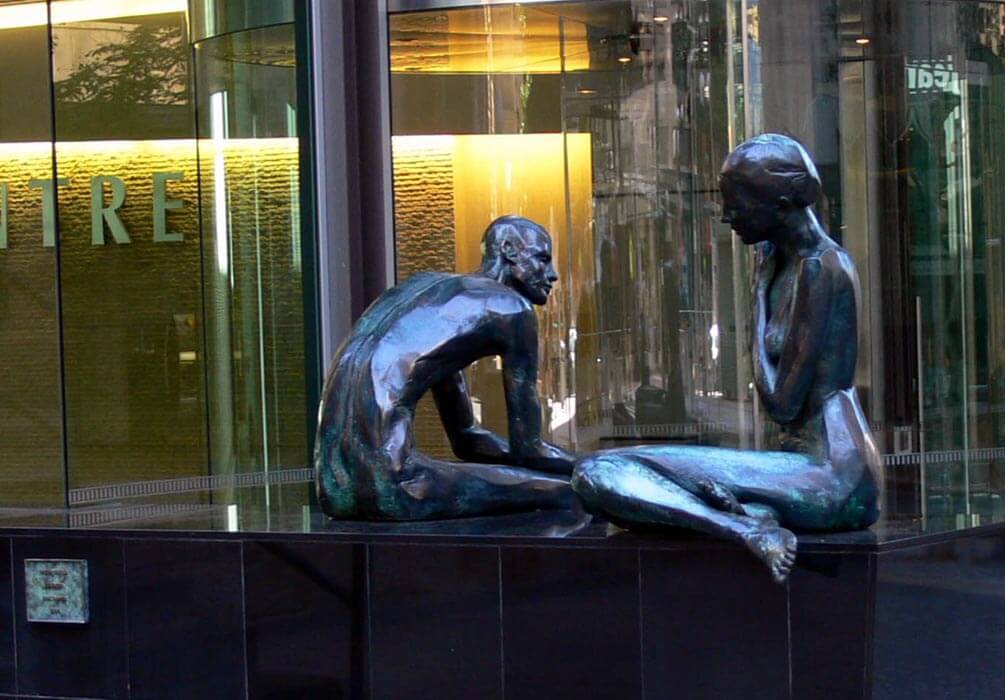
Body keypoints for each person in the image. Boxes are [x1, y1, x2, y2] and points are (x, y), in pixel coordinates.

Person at [572, 134, 882, 583]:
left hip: (834, 475)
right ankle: (748, 517)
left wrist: (756, 301)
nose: (727, 216)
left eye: (736, 203)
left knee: (600, 472)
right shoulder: (784, 261)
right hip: (803, 467)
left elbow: (782, 403)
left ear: (777, 204)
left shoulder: (822, 268)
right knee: (603, 476)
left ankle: (743, 526)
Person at [315, 216, 576, 520]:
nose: (552, 274)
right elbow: (529, 451)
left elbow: (467, 439)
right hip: (400, 487)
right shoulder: (513, 309)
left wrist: (511, 471)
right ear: (508, 250)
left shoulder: (427, 294)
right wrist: (587, 464)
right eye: (542, 259)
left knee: (537, 485)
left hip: (334, 490)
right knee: (573, 492)